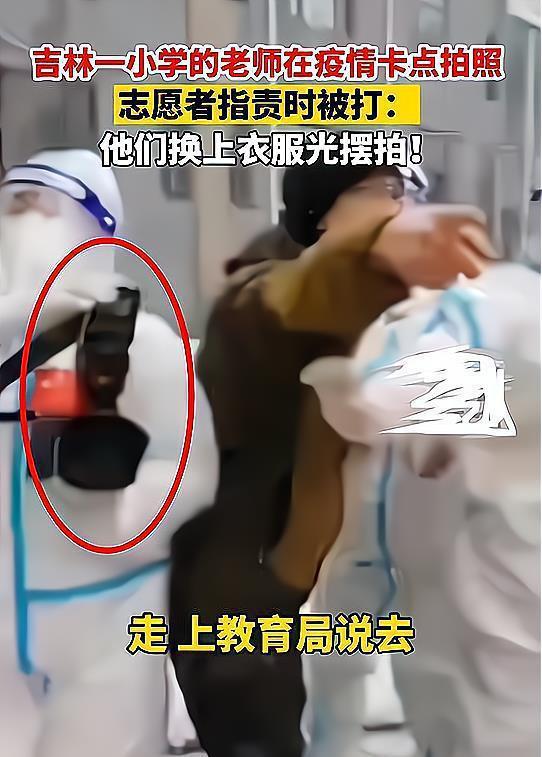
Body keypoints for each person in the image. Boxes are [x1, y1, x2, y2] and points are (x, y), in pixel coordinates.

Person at [272, 169, 539, 756]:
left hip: (500, 598)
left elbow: (477, 389)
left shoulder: (502, 303)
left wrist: (363, 399)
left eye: (404, 196)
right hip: (416, 583)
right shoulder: (388, 322)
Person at [0, 148, 219, 757]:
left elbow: (190, 466)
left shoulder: (140, 344)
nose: (23, 225)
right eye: (11, 208)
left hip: (104, 608)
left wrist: (122, 522)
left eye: (46, 208)